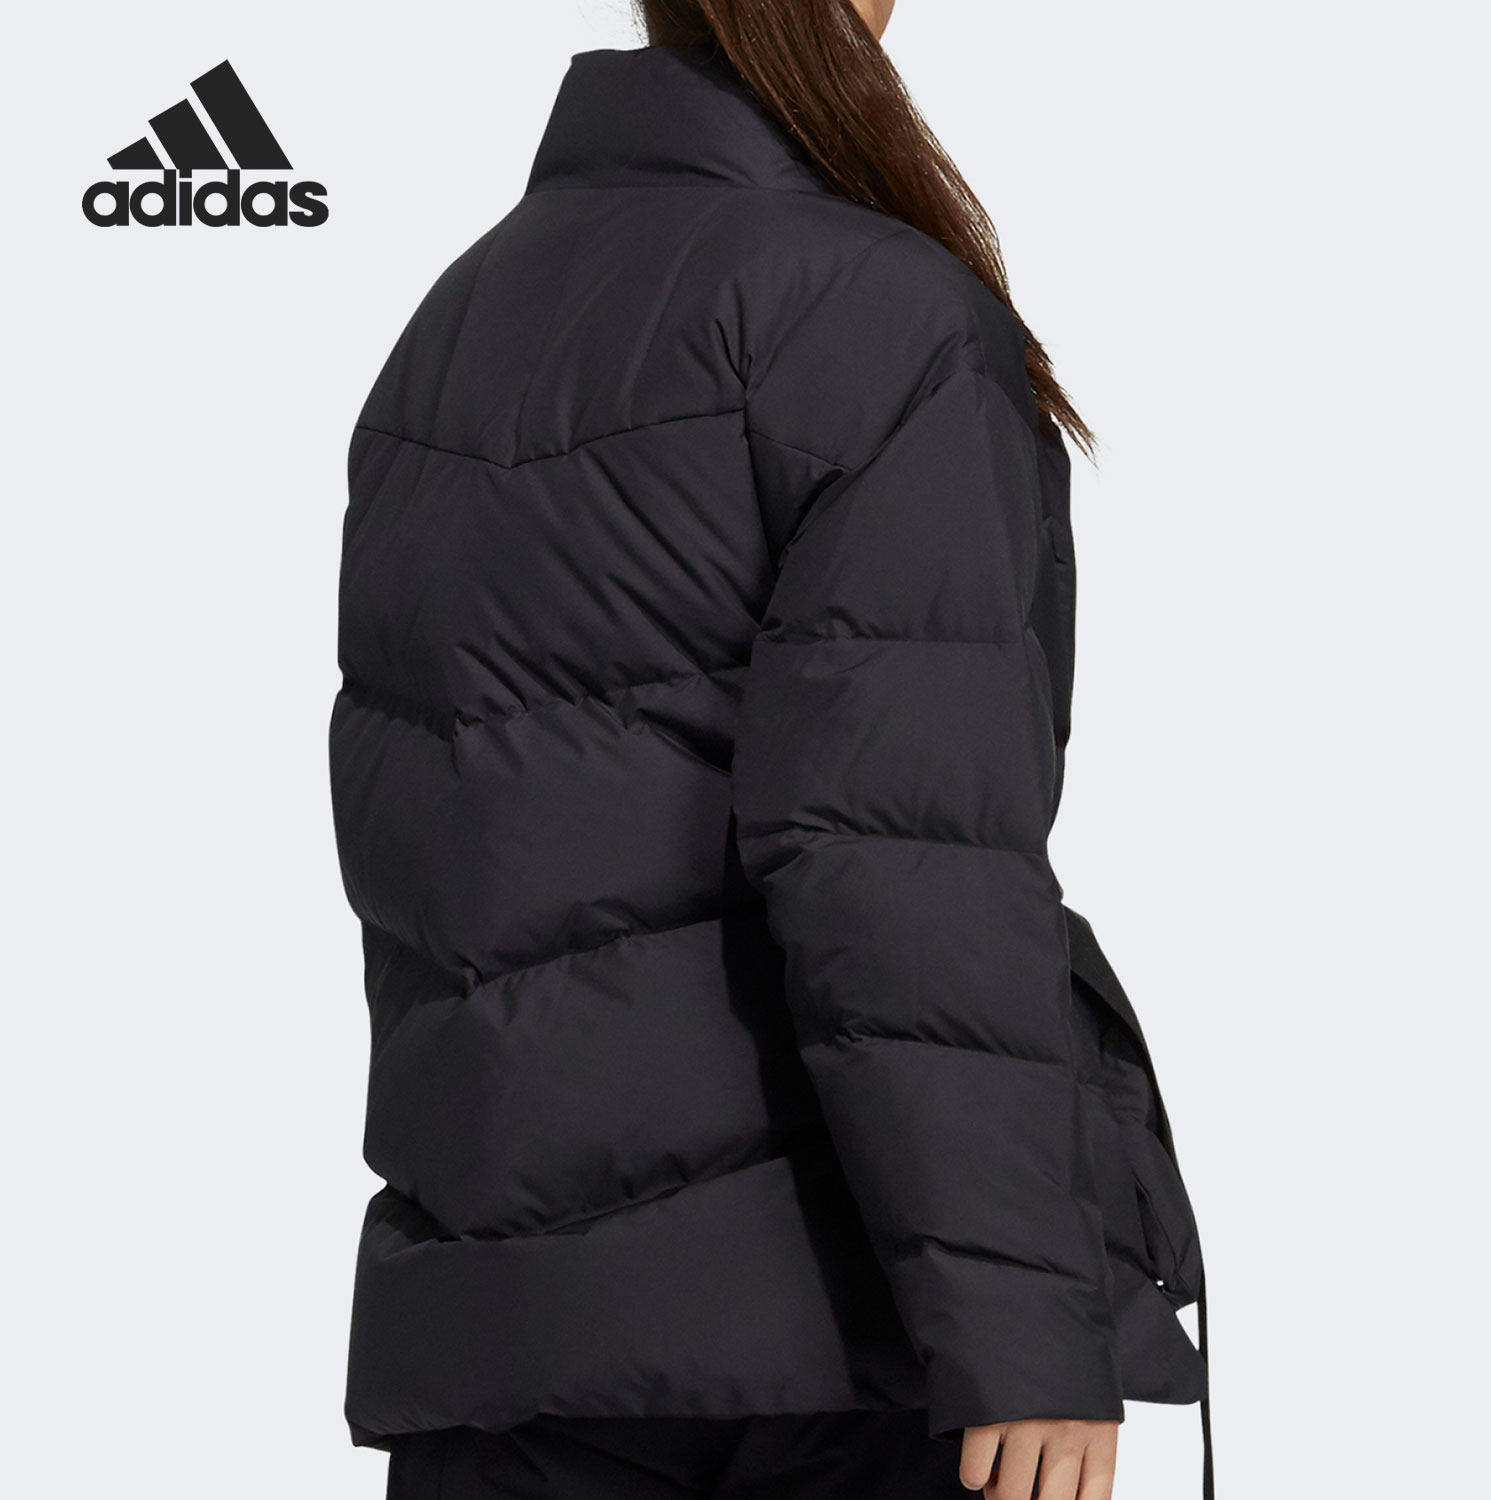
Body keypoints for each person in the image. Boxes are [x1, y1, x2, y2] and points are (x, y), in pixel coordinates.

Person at [327, 2, 1212, 1496]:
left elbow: (434, 854)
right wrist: (1023, 1325)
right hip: (827, 1346)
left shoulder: (467, 312)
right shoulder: (879, 312)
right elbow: (902, 856)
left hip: (502, 1341)